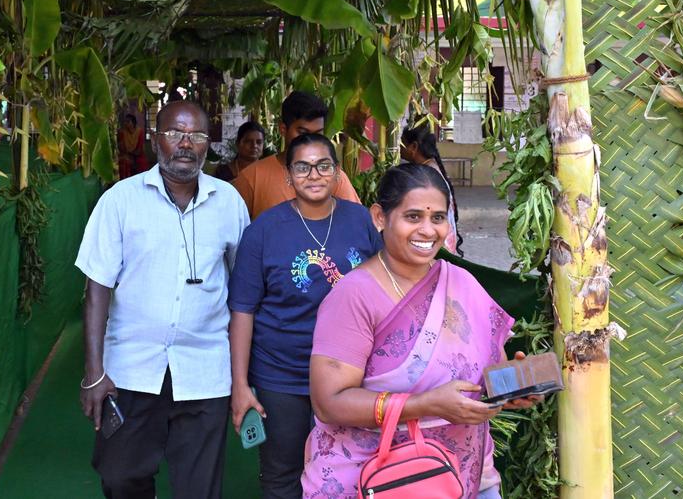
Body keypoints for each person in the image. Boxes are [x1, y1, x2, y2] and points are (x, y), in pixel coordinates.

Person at [302, 163, 543, 499]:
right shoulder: (353, 295)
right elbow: (329, 402)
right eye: (413, 217)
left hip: (462, 477)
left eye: (438, 218)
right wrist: (426, 405)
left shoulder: (461, 283)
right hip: (374, 481)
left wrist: (511, 386)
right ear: (380, 217)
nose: (428, 231)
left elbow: (482, 377)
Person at [75, 101, 250, 499]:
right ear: (156, 140)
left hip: (205, 370)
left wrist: (242, 378)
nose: (185, 144)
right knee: (119, 477)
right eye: (175, 134)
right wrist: (94, 372)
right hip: (132, 370)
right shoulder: (120, 201)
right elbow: (96, 289)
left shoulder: (229, 203)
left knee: (199, 489)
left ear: (209, 144)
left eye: (197, 135)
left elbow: (242, 291)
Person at [228, 133, 383, 499]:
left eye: (323, 165)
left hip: (351, 375)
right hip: (282, 375)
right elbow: (242, 311)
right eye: (302, 166)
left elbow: (385, 287)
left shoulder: (359, 221)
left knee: (351, 469)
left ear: (337, 173)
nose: (313, 175)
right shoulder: (263, 231)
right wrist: (239, 386)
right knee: (282, 474)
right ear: (288, 176)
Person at [233, 92, 361, 219]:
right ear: (283, 129)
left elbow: (357, 225)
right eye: (303, 132)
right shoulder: (253, 177)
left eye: (317, 134)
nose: (310, 141)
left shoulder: (335, 177)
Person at [401, 124, 462, 254]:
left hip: (436, 246)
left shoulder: (426, 175)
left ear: (414, 147)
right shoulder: (430, 167)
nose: (400, 148)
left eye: (402, 143)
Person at [117, 114, 148, 178]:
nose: (126, 124)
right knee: (124, 161)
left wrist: (133, 155)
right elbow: (121, 147)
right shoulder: (122, 132)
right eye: (125, 122)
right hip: (126, 154)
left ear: (133, 123)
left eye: (128, 122)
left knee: (142, 162)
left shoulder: (139, 132)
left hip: (137, 154)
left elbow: (139, 149)